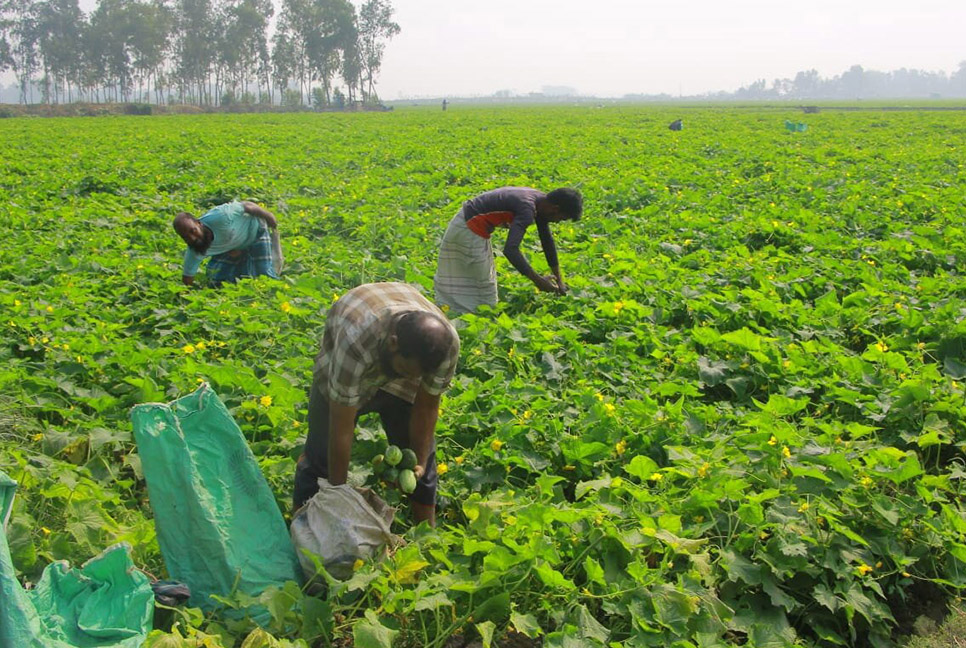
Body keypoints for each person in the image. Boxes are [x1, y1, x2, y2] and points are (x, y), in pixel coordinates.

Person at [293, 282, 460, 526]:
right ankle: (303, 525)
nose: (410, 379)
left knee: (419, 456)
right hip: (348, 360)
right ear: (392, 343)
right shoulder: (357, 339)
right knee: (321, 457)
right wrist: (339, 492)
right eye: (405, 370)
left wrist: (421, 463)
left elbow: (426, 406)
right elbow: (341, 426)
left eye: (417, 376)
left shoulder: (445, 347)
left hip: (402, 353)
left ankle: (426, 535)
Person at [434, 186, 583, 315]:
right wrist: (538, 281)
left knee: (475, 278)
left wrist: (559, 280)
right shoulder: (527, 209)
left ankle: (459, 312)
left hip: (470, 224)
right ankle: (469, 318)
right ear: (555, 209)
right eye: (561, 218)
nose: (557, 222)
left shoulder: (540, 201)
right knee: (482, 285)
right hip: (468, 228)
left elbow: (546, 241)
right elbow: (510, 250)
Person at [173, 200, 279, 286]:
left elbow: (247, 205)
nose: (192, 238)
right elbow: (187, 278)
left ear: (199, 223)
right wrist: (185, 296)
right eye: (186, 237)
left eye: (193, 231)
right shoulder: (195, 249)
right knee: (216, 281)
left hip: (255, 231)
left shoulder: (221, 216)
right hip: (233, 246)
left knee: (263, 276)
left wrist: (268, 216)